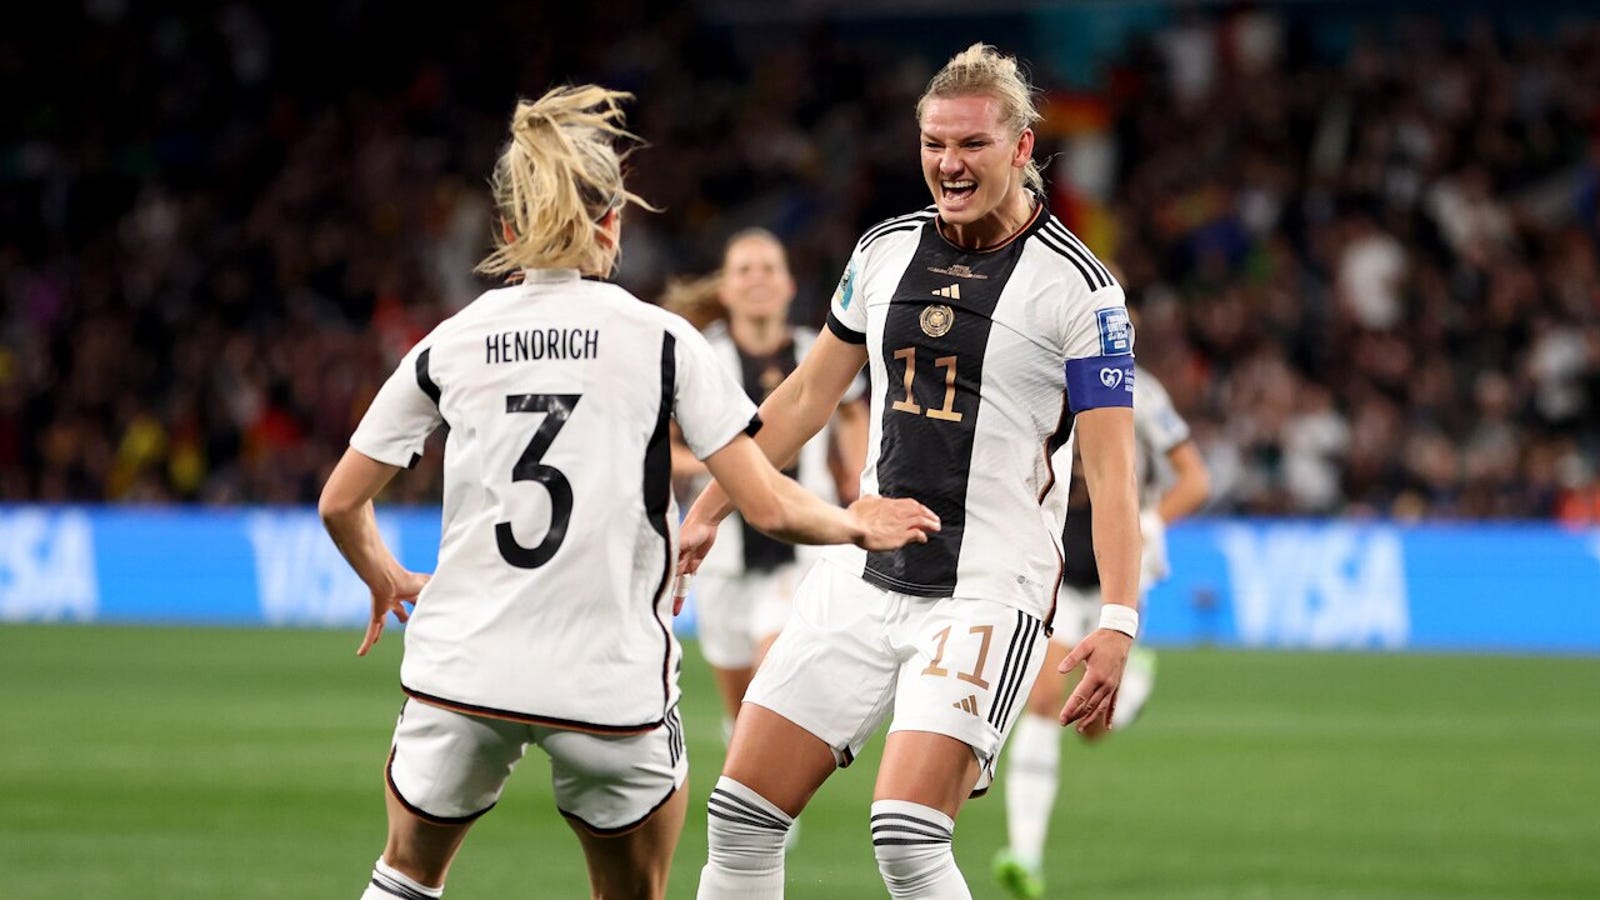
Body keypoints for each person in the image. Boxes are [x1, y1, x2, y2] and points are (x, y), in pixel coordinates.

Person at [316, 85, 939, 900]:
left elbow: (338, 501)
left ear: (507, 231)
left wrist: (383, 575)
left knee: (405, 876)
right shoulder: (664, 343)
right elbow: (769, 504)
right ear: (614, 223)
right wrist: (856, 524)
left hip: (462, 671)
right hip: (607, 687)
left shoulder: (450, 343)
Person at [680, 44, 1144, 899]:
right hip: (862, 568)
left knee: (906, 835)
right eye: (934, 142)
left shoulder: (1082, 292)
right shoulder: (885, 251)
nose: (948, 163)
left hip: (987, 587)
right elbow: (805, 397)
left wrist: (1117, 618)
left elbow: (1113, 473)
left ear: (1021, 147)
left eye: (970, 144)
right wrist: (712, 505)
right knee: (739, 816)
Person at [994, 359, 1211, 900]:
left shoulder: (1143, 391)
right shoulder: (1028, 367)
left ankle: (1132, 683)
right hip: (1057, 562)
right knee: (1045, 697)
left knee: (1092, 726)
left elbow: (1196, 479)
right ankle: (1025, 855)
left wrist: (1148, 526)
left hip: (1115, 565)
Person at [665, 228, 869, 732]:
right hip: (723, 553)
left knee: (772, 683)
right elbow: (660, 445)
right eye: (744, 269)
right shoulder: (700, 356)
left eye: (768, 268)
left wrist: (859, 482)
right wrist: (728, 469)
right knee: (742, 712)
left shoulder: (817, 351)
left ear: (789, 285)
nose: (757, 278)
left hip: (800, 545)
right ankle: (759, 805)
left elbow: (850, 414)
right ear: (726, 289)